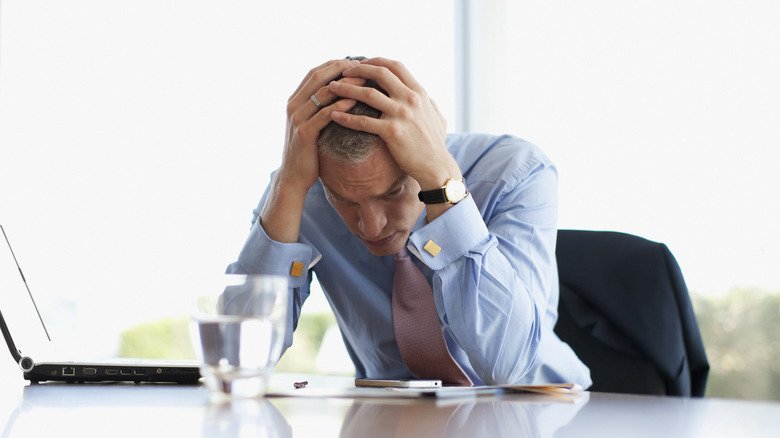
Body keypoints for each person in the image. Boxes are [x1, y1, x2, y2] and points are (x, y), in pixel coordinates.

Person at [226, 56, 591, 387]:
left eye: (393, 192)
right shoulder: (304, 187)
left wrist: (442, 183)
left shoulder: (516, 173)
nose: (371, 227)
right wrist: (288, 185)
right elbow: (236, 357)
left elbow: (509, 367)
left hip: (548, 413)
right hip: (390, 419)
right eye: (344, 199)